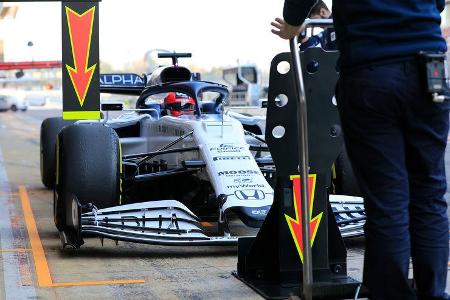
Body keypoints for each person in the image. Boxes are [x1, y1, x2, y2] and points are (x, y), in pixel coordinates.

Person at [271, 1, 449, 299]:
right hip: (428, 69)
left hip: (372, 70)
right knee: (429, 195)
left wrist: (293, 22)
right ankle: (433, 293)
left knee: (388, 199)